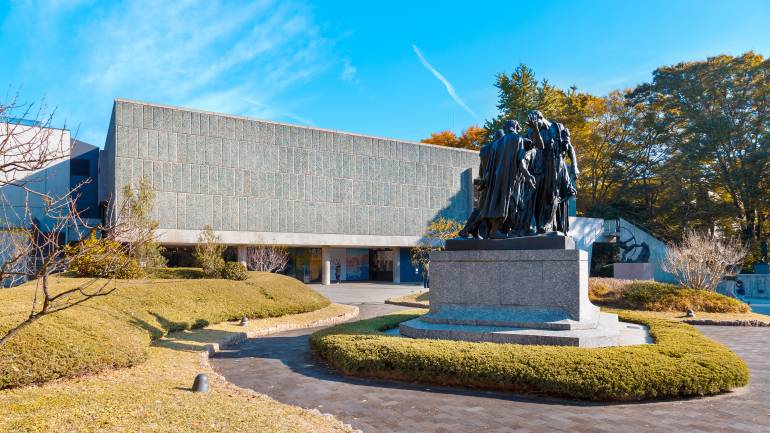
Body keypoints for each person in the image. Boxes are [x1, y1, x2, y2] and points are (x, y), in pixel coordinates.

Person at [525, 110, 578, 234]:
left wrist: (574, 165)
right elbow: (539, 146)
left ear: (541, 118)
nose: (534, 125)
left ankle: (547, 224)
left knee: (552, 195)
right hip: (539, 168)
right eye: (532, 124)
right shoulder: (531, 131)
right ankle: (539, 225)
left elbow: (569, 147)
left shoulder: (557, 127)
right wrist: (535, 130)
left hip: (556, 166)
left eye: (536, 122)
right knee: (536, 199)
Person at [478, 120, 528, 238]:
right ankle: (497, 231)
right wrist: (528, 176)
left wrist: (486, 180)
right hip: (509, 179)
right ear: (516, 127)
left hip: (493, 180)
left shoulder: (495, 144)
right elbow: (520, 160)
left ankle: (496, 230)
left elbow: (488, 166)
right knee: (509, 203)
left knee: (496, 203)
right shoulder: (517, 139)